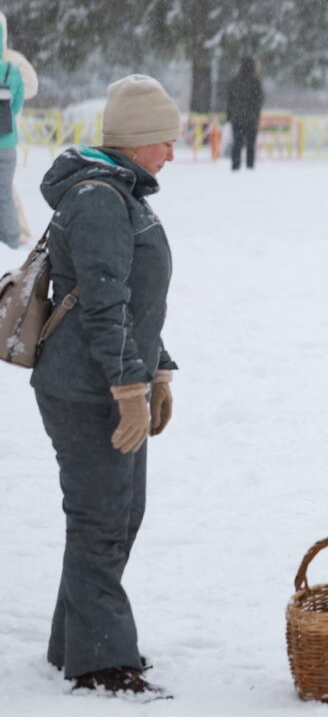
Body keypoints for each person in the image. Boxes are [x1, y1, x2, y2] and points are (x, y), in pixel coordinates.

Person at [32, 74, 180, 698]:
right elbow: (103, 304)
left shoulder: (120, 192)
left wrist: (160, 369)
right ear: (138, 139)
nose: (172, 153)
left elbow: (136, 301)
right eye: (165, 141)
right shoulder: (98, 199)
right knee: (101, 521)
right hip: (87, 387)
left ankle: (76, 640)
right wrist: (127, 389)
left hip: (112, 377)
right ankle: (100, 662)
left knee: (117, 514)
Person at [0, 12, 28, 248]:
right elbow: (17, 104)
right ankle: (10, 239)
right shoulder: (12, 70)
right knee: (5, 193)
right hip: (7, 141)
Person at [226, 55, 263, 171]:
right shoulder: (255, 81)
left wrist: (230, 115)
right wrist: (255, 114)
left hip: (237, 119)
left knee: (237, 144)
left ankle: (235, 166)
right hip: (251, 120)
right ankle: (249, 166)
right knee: (250, 145)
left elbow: (229, 100)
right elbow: (259, 100)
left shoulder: (235, 81)